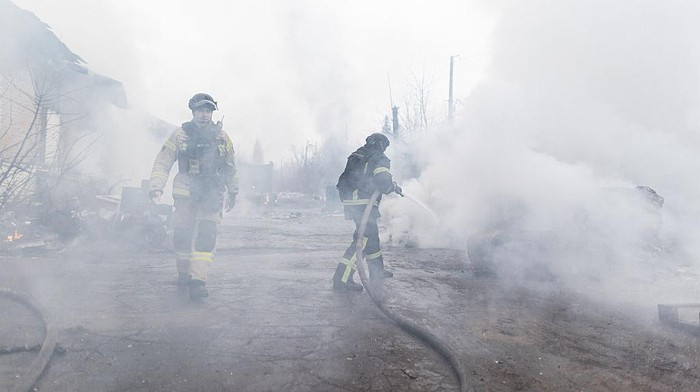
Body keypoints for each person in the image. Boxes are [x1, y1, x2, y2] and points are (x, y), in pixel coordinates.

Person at [149, 93, 238, 300]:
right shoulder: (180, 135)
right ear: (193, 112)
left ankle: (198, 280)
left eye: (208, 111)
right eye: (200, 111)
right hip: (185, 193)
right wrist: (156, 188)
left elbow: (232, 166)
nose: (204, 115)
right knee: (182, 234)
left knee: (207, 235)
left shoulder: (222, 137)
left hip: (211, 193)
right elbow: (163, 162)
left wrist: (234, 191)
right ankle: (183, 272)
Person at [332, 133, 403, 291]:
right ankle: (342, 279)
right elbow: (383, 181)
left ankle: (376, 271)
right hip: (364, 202)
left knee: (371, 237)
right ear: (379, 144)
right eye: (385, 145)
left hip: (352, 201)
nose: (385, 149)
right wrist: (391, 187)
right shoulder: (379, 158)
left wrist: (391, 185)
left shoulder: (357, 155)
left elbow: (360, 177)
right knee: (362, 240)